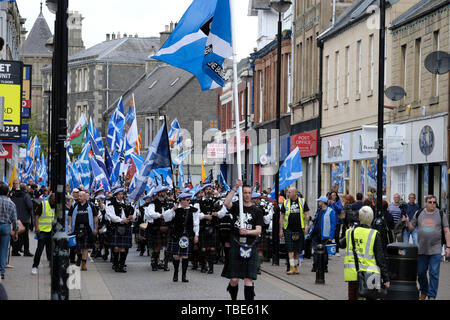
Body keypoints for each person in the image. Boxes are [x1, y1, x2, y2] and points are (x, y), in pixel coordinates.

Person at [402, 195, 450, 300]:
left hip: (436, 249)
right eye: (430, 202)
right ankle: (424, 291)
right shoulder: (419, 213)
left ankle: (432, 296)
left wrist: (448, 247)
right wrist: (407, 221)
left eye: (434, 202)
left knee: (434, 273)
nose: (433, 204)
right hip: (422, 250)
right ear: (425, 203)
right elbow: (411, 229)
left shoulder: (441, 214)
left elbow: (446, 230)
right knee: (420, 273)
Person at [222, 179, 263, 301]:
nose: (247, 195)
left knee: (248, 279)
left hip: (250, 244)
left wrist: (247, 232)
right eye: (244, 192)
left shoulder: (257, 211)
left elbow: (258, 230)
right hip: (236, 243)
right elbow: (226, 202)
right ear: (241, 194)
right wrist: (235, 187)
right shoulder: (236, 206)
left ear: (252, 194)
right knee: (234, 279)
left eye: (249, 192)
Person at [340, 206, 390, 300]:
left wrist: (348, 229)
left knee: (353, 297)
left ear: (359, 218)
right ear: (371, 219)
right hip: (370, 274)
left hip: (353, 273)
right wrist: (386, 278)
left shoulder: (350, 232)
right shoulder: (374, 234)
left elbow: (341, 244)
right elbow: (380, 258)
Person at [163, 193, 199, 282]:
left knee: (186, 256)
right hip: (176, 235)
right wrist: (172, 210)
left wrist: (196, 235)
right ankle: (175, 274)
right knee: (176, 256)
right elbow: (166, 218)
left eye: (189, 200)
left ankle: (184, 275)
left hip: (187, 236)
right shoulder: (175, 209)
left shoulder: (193, 210)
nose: (189, 202)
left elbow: (196, 223)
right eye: (187, 200)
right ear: (181, 201)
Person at [280, 187, 309, 275]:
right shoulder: (285, 202)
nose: (288, 194)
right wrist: (281, 229)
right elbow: (282, 216)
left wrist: (307, 225)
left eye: (289, 192)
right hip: (288, 228)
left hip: (299, 228)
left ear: (295, 193)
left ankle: (296, 267)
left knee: (297, 250)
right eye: (288, 192)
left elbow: (307, 214)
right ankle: (291, 268)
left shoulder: (302, 201)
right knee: (290, 249)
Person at [68, 190, 99, 271]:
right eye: (78, 196)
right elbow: (70, 215)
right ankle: (79, 257)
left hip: (87, 228)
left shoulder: (90, 205)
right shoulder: (75, 205)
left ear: (85, 197)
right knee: (76, 246)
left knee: (85, 247)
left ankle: (84, 263)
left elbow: (95, 217)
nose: (79, 197)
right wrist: (69, 225)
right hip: (76, 228)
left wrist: (96, 228)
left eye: (81, 196)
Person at [105, 188, 134, 273]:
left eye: (122, 194)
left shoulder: (127, 204)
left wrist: (132, 216)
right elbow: (111, 216)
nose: (121, 196)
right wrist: (121, 220)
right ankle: (116, 264)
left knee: (123, 248)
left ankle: (121, 265)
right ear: (116, 195)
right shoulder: (111, 204)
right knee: (116, 248)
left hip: (126, 226)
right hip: (116, 227)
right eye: (119, 194)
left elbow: (133, 214)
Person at [144, 186, 172, 271]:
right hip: (156, 227)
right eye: (161, 192)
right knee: (157, 247)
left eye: (164, 192)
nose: (163, 194)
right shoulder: (152, 204)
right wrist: (160, 215)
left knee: (167, 247)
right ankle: (154, 263)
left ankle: (165, 264)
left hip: (167, 226)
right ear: (158, 193)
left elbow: (172, 214)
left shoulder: (169, 203)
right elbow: (151, 214)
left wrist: (169, 215)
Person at [308, 196, 336, 273]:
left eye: (319, 202)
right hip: (315, 234)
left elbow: (333, 225)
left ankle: (324, 267)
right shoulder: (318, 211)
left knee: (324, 252)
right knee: (315, 251)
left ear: (323, 202)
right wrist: (312, 219)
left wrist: (331, 236)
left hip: (325, 235)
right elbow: (315, 221)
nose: (318, 203)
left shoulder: (331, 211)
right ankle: (315, 266)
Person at [198, 183, 220, 274]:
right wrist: (205, 216)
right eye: (206, 189)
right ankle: (203, 266)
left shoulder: (216, 201)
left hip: (213, 227)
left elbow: (223, 212)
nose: (208, 191)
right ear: (203, 191)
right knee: (203, 249)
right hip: (203, 228)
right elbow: (196, 215)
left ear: (212, 191)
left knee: (212, 249)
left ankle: (211, 268)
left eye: (210, 189)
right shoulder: (198, 202)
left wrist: (217, 214)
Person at [31, 193, 55, 275]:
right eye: (53, 198)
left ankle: (51, 265)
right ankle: (35, 266)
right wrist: (36, 227)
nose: (54, 200)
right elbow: (37, 216)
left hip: (51, 231)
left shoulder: (56, 206)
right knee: (40, 249)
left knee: (50, 250)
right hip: (42, 231)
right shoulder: (43, 204)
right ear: (50, 198)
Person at [0, 183, 18, 280]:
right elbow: (14, 219)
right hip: (6, 226)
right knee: (4, 250)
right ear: (7, 193)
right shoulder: (11, 203)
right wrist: (15, 232)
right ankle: (2, 272)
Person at [10, 184, 33, 257]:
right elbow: (30, 206)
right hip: (24, 218)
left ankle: (15, 251)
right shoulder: (26, 196)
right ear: (25, 189)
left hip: (15, 218)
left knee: (16, 234)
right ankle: (26, 251)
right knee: (25, 236)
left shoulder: (13, 195)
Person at [328, 191, 343, 257]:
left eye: (334, 195)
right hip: (330, 222)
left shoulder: (338, 202)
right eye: (332, 195)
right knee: (330, 236)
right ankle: (330, 250)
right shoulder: (329, 202)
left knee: (336, 236)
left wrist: (334, 204)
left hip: (337, 222)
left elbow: (340, 209)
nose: (333, 196)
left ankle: (337, 250)